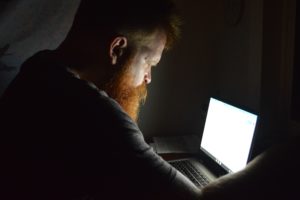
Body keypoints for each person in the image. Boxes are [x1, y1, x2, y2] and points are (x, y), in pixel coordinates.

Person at [0, 0, 202, 199]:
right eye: (149, 62)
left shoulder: (38, 66)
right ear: (116, 49)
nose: (148, 77)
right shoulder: (97, 116)